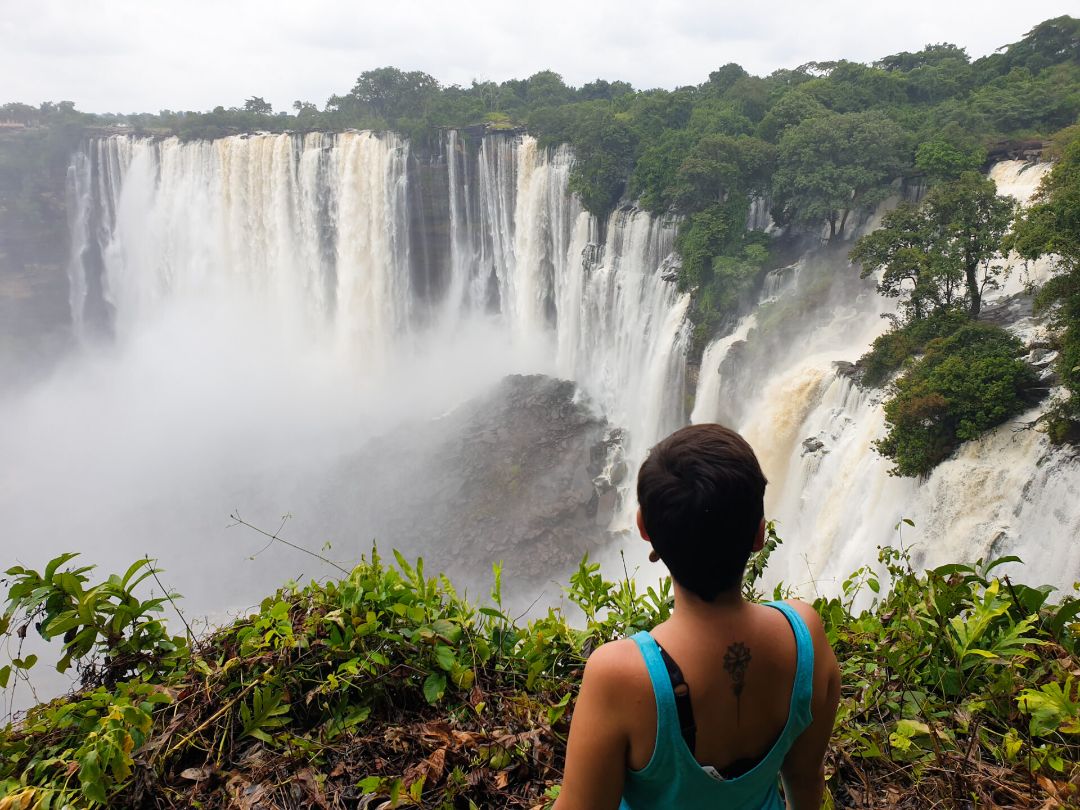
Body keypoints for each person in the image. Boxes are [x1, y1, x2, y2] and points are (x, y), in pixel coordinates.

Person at [555, 424, 841, 810]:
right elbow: (805, 782)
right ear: (759, 535)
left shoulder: (621, 675)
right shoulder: (804, 637)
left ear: (644, 529)